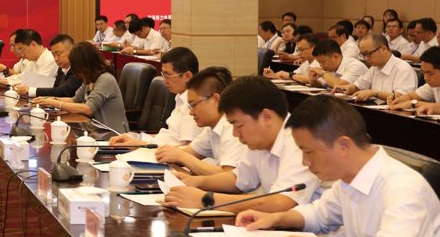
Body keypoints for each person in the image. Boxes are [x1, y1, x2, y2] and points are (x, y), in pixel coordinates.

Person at [236, 96, 440, 237]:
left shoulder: (403, 188)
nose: (305, 162)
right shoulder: (347, 180)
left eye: (309, 152)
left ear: (343, 145)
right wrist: (275, 218)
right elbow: (318, 215)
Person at [163, 76, 320, 213]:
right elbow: (238, 179)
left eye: (239, 126)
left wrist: (207, 199)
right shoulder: (261, 140)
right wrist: (196, 182)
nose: (235, 134)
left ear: (266, 117)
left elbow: (280, 203)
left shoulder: (300, 143)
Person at [154, 67, 247, 175]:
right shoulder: (211, 129)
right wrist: (153, 153)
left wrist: (182, 157)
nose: (191, 112)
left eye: (193, 105)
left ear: (216, 100)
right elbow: (187, 152)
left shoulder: (233, 128)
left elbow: (228, 175)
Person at [108, 47, 200, 147]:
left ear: (187, 76)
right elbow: (169, 137)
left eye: (168, 75)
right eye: (163, 74)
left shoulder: (194, 104)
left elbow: (188, 148)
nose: (164, 80)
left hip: (164, 155)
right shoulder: (180, 97)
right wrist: (136, 137)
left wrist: (140, 144)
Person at [45, 42, 129, 133]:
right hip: (95, 131)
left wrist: (55, 103)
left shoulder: (106, 79)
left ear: (86, 64)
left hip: (112, 134)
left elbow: (88, 109)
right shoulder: (89, 78)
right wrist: (50, 100)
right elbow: (75, 100)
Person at [335, 34, 419, 101]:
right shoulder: (374, 68)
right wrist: (347, 88)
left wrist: (374, 93)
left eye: (368, 54)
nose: (366, 58)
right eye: (363, 54)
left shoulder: (403, 69)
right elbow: (358, 86)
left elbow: (402, 97)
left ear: (383, 49)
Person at [21, 34, 82, 100]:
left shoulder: (79, 69)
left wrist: (31, 91)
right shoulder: (61, 68)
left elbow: (63, 91)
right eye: (54, 56)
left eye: (58, 54)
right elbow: (55, 88)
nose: (56, 59)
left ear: (72, 51)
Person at [391, 47, 440, 114]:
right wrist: (398, 100)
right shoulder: (433, 85)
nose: (425, 78)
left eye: (430, 74)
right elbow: (410, 96)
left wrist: (413, 103)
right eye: (423, 73)